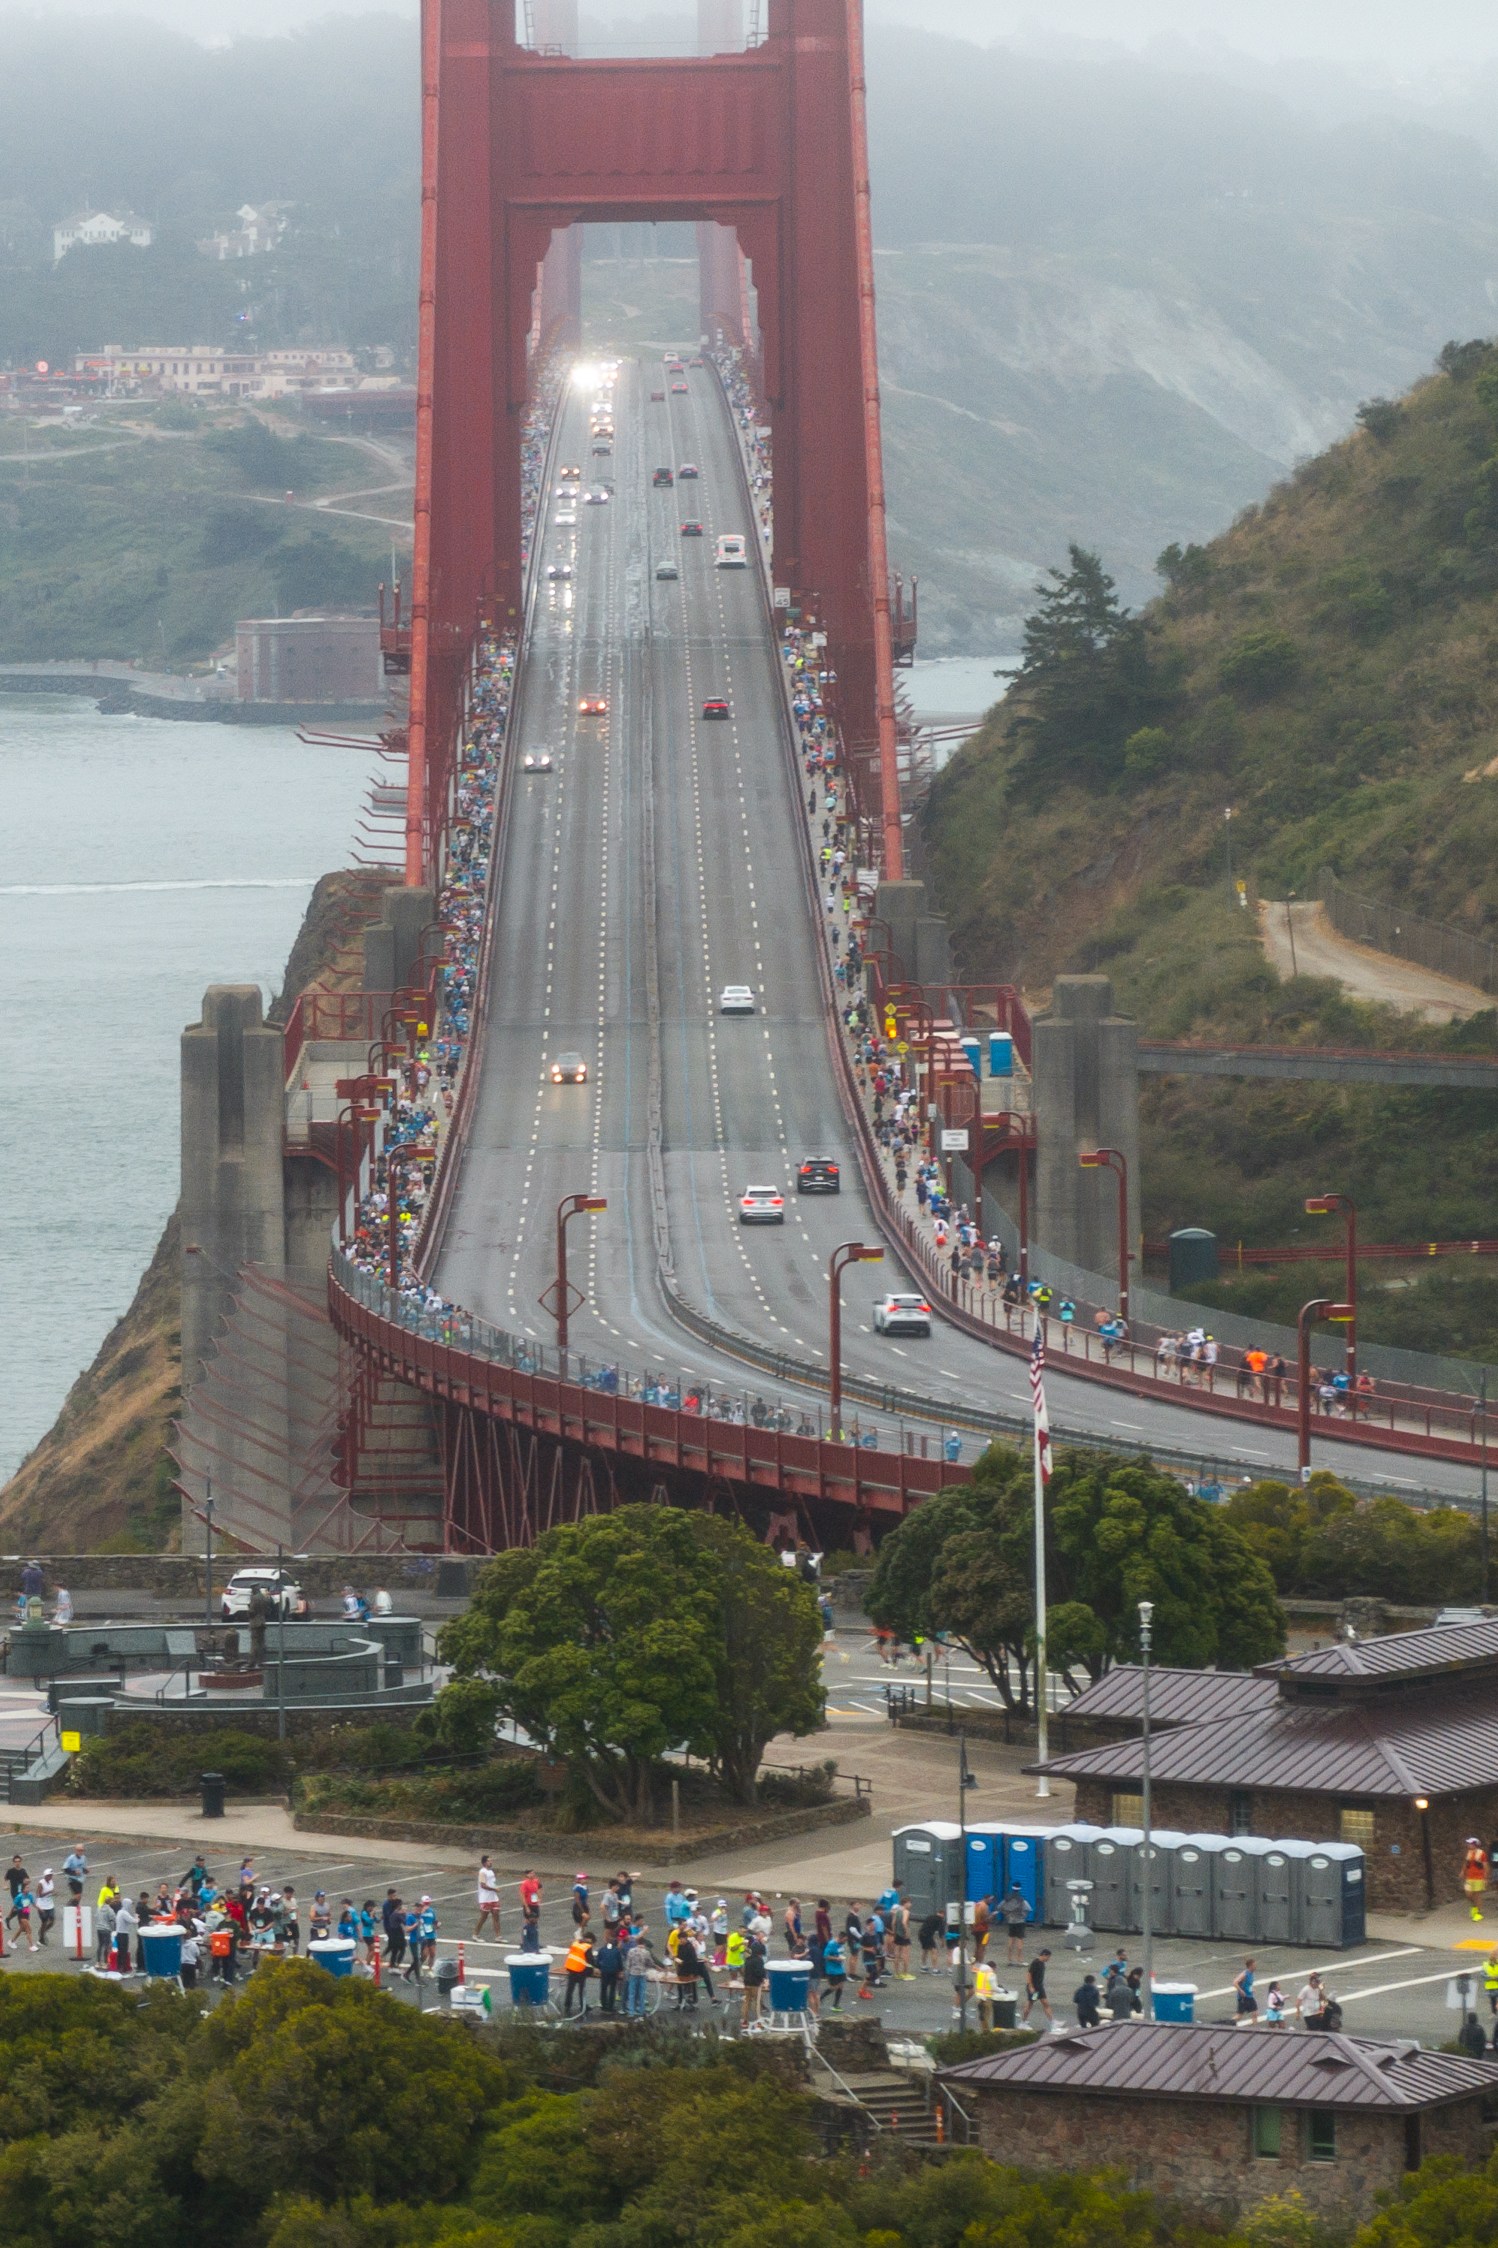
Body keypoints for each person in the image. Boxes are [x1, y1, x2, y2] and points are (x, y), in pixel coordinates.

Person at [624, 1928, 655, 2018]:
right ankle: (641, 2011)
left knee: (632, 1993)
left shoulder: (631, 1951)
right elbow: (650, 1963)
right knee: (641, 1993)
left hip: (632, 1974)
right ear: (643, 1944)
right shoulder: (646, 1952)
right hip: (642, 1974)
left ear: (637, 1943)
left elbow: (628, 1963)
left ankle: (631, 2012)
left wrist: (627, 1973)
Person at [562, 1930, 594, 2015]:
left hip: (571, 1968)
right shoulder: (587, 1946)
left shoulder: (575, 1943)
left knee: (570, 1989)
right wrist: (595, 1967)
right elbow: (590, 1960)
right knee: (581, 1989)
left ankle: (567, 2006)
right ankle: (583, 2006)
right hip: (580, 1970)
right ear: (590, 1940)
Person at [1022, 1949, 1054, 2029]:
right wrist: (1031, 1987)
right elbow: (1029, 1974)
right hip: (1034, 1989)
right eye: (1048, 1957)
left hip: (1040, 1988)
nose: (1049, 1959)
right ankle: (1023, 2022)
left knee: (1046, 2003)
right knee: (1030, 2004)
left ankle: (1052, 2022)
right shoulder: (1035, 1963)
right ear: (1044, 1955)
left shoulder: (1042, 1963)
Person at [1000, 1882, 1030, 1965]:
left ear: (1012, 1888)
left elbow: (1000, 1907)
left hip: (1011, 1921)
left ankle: (1009, 1959)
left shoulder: (1007, 1899)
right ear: (1020, 1888)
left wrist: (1007, 1915)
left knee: (1011, 1939)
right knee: (1020, 1940)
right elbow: (1028, 1909)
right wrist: (1023, 1916)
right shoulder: (1021, 1899)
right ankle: (1019, 1959)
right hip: (1020, 1921)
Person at [741, 1931, 767, 2027]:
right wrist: (764, 1979)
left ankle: (744, 2021)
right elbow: (760, 1973)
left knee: (746, 2002)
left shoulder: (748, 1959)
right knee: (757, 2003)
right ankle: (759, 2022)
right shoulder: (759, 1960)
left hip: (747, 1983)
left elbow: (744, 1969)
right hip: (756, 1984)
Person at [1462, 1837, 1489, 1923]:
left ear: (1475, 1844)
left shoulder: (1482, 1853)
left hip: (1478, 1877)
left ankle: (1478, 1913)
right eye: (1468, 1843)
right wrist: (1463, 1872)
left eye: (1470, 1843)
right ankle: (1474, 1907)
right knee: (1468, 1894)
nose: (1468, 1845)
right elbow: (1466, 1863)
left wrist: (1485, 1878)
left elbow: (1485, 1866)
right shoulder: (1469, 1853)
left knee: (1477, 1895)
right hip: (1470, 1877)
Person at [476, 1855, 502, 1939]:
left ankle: (498, 1936)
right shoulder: (482, 1872)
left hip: (493, 1897)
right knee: (484, 1917)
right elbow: (483, 1885)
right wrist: (494, 1889)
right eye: (488, 1861)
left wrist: (495, 1888)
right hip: (485, 1898)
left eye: (491, 1861)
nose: (491, 1862)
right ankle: (475, 1934)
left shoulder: (491, 1872)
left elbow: (492, 1883)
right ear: (484, 1863)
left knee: (496, 1915)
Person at [973, 1954, 998, 2030]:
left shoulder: (980, 1973)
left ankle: (983, 2030)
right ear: (993, 1968)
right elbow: (994, 1987)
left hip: (979, 1998)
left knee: (982, 2017)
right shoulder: (991, 1975)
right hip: (987, 1999)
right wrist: (1002, 1990)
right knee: (986, 2017)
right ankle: (986, 2033)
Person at [1234, 1957, 1259, 2025]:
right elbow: (1235, 1982)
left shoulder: (1251, 1973)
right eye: (1254, 1965)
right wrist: (1241, 1991)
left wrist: (1251, 1989)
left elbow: (1248, 1984)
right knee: (1239, 2016)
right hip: (1243, 1998)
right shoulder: (1245, 1974)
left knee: (1255, 2013)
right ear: (1250, 1966)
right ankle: (1228, 2024)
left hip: (1249, 1996)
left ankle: (1255, 2029)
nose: (1256, 1967)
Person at [35, 1868, 54, 1947]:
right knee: (44, 1922)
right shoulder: (41, 1883)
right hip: (42, 1906)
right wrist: (49, 1892)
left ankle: (42, 1932)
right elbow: (39, 1895)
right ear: (45, 1876)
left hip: (50, 1905)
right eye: (49, 1875)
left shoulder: (51, 1882)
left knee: (52, 1921)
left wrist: (52, 1894)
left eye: (51, 1875)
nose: (51, 1876)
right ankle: (41, 1939)